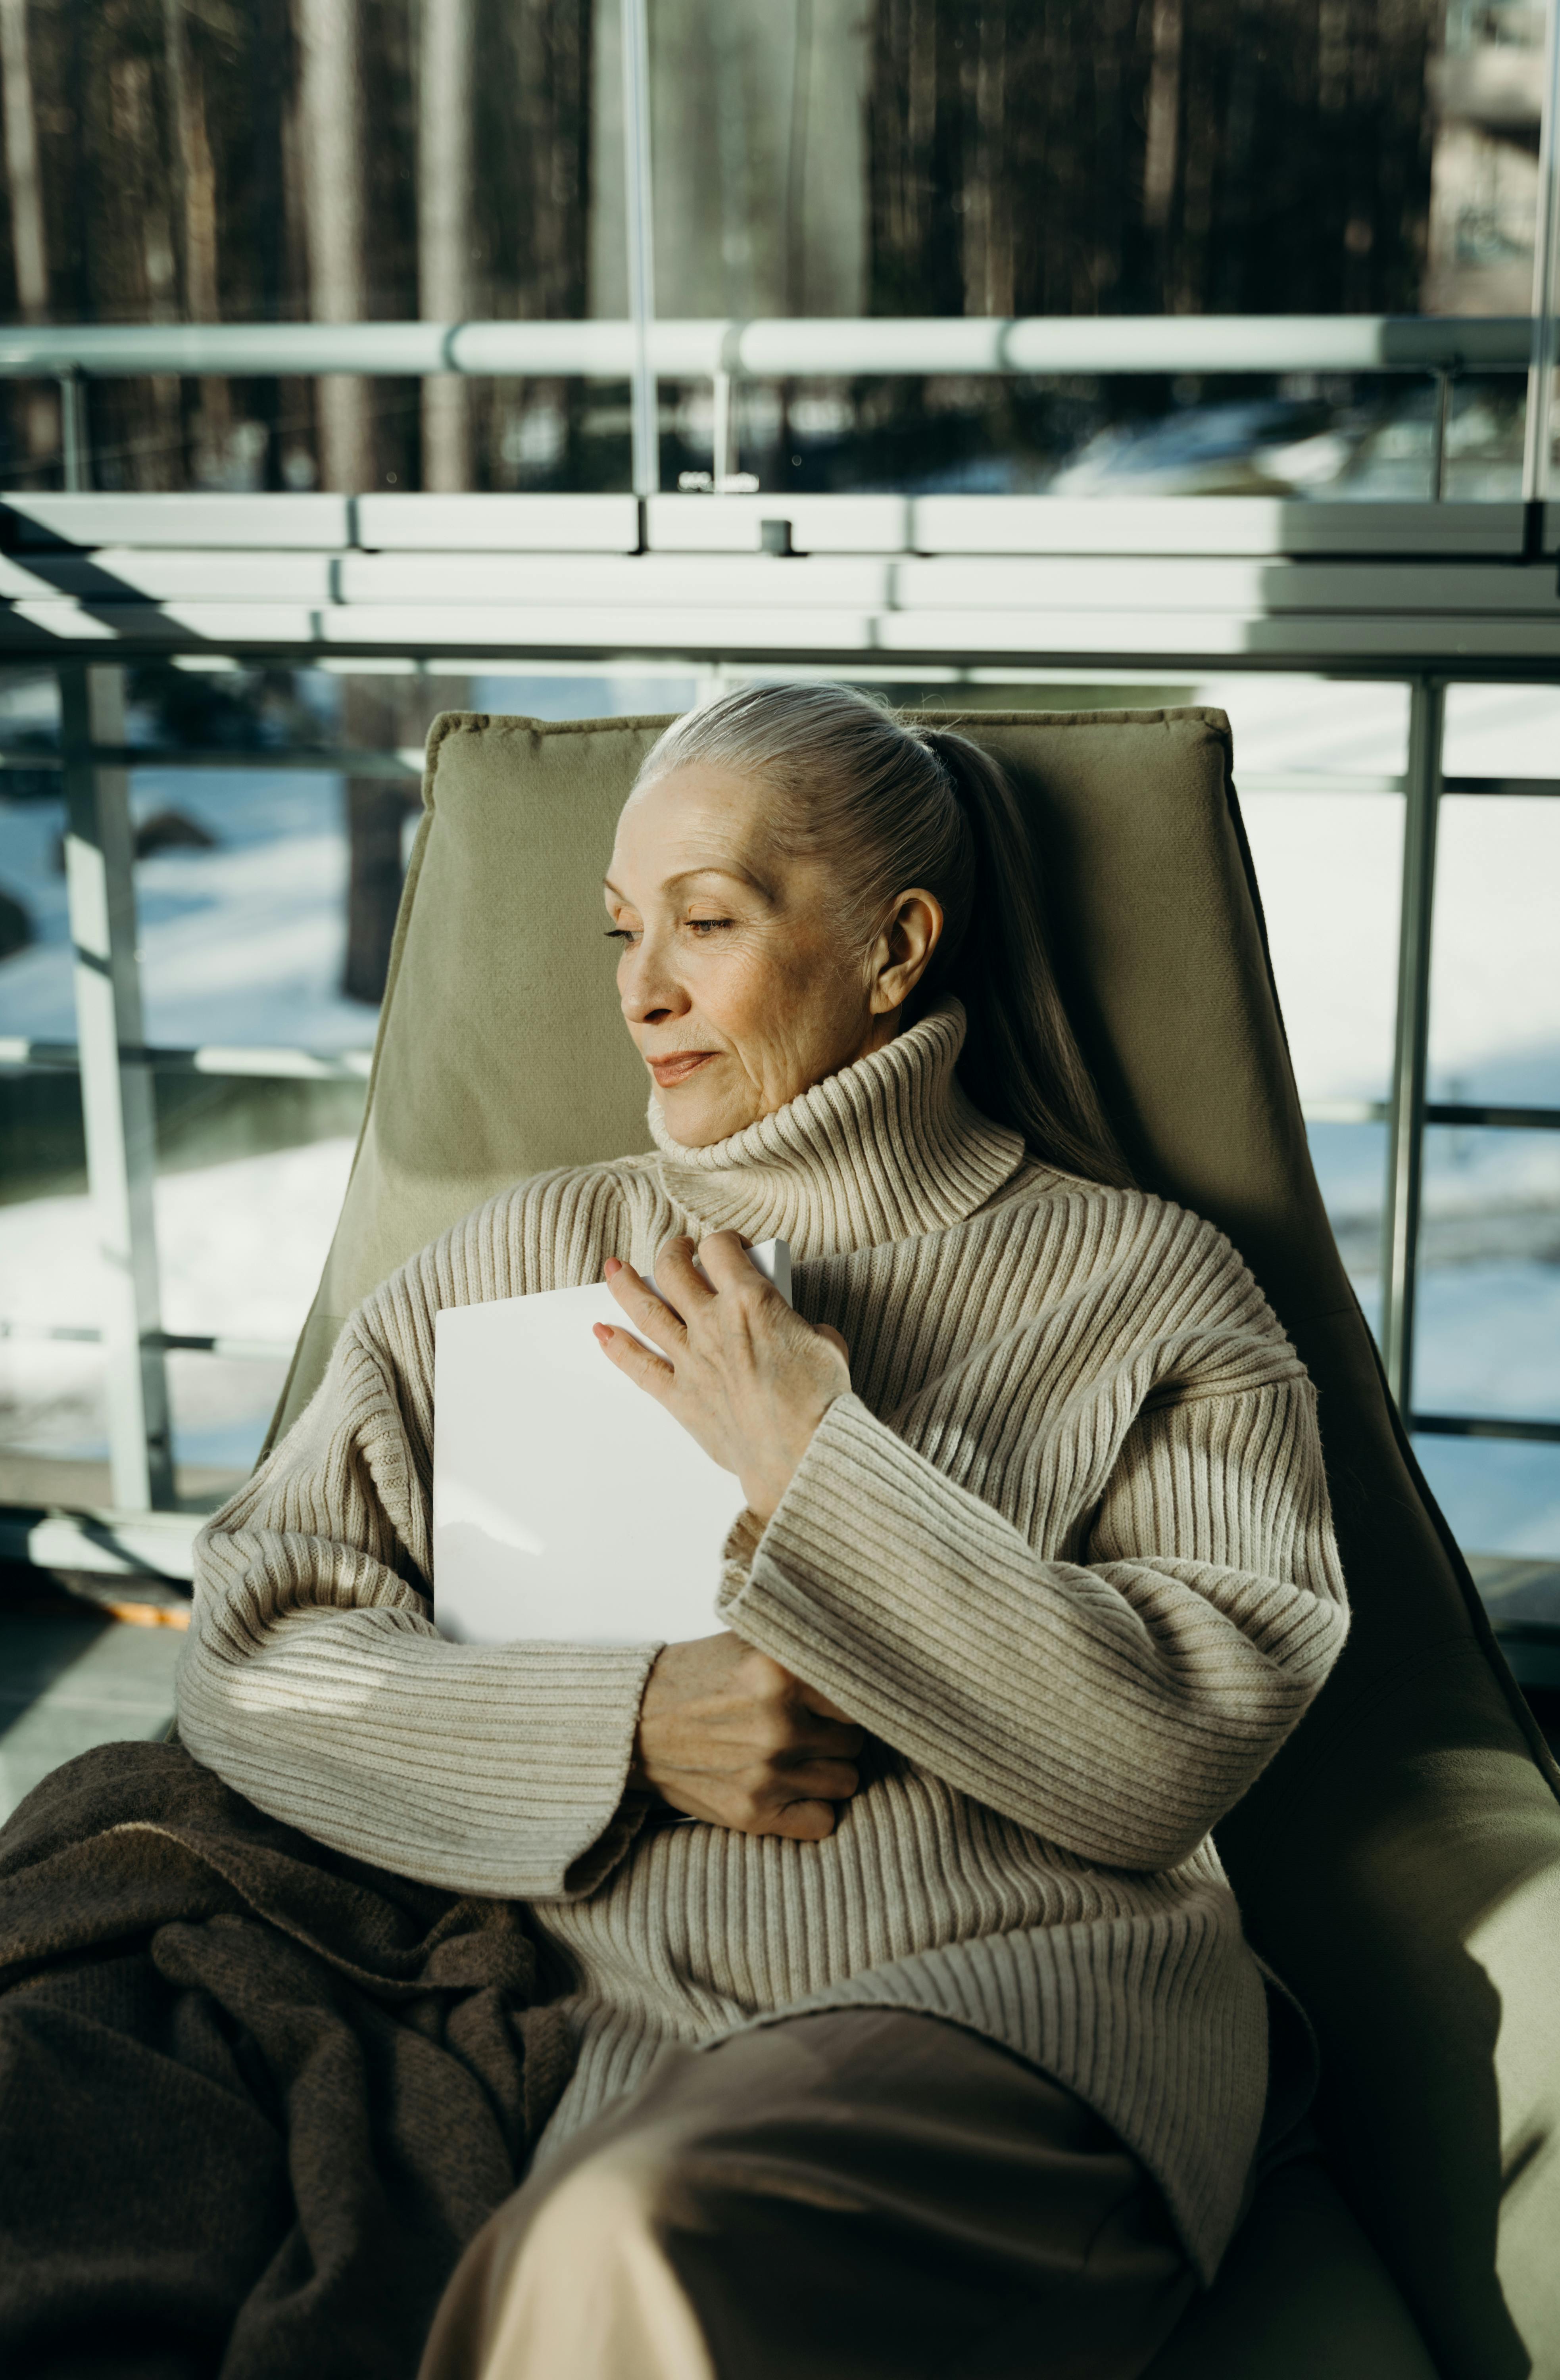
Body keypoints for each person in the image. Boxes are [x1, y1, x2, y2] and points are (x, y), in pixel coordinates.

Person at [177, 683, 1349, 2380]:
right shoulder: (522, 1255)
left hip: (1009, 2015)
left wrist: (811, 1450)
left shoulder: (1149, 1284)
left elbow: (1170, 1754)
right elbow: (248, 1656)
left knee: (625, 2250)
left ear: (895, 947)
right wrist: (626, 1728)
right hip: (605, 2039)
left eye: (706, 923)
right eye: (618, 932)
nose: (642, 990)